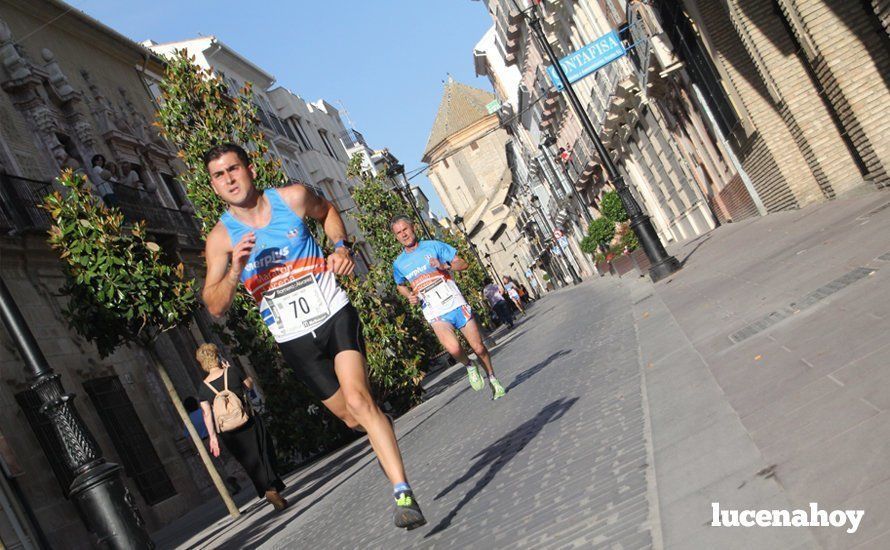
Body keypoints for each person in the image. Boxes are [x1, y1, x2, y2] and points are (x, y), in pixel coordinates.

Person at [200, 143, 425, 530]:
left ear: (250, 169)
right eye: (219, 175)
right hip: (294, 337)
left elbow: (330, 213)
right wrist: (236, 269)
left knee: (358, 397)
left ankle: (403, 493)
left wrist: (339, 246)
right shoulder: (221, 239)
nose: (229, 179)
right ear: (214, 185)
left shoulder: (294, 198)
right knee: (351, 417)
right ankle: (376, 421)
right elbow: (214, 305)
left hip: (333, 311)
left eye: (233, 169)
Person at [391, 215, 506, 400]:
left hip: (455, 301)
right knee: (453, 349)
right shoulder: (399, 263)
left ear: (413, 227)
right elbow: (399, 285)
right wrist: (409, 295)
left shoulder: (434, 245)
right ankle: (469, 365)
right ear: (396, 237)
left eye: (405, 229)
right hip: (433, 309)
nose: (403, 234)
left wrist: (444, 265)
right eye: (399, 232)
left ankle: (493, 379)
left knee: (478, 348)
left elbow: (463, 263)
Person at [196, 344, 286, 510]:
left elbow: (207, 414)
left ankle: (267, 490)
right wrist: (237, 373)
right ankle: (272, 487)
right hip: (248, 421)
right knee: (263, 452)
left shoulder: (203, 387)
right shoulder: (232, 372)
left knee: (249, 462)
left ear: (202, 363)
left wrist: (213, 438)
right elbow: (249, 386)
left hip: (228, 432)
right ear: (217, 356)